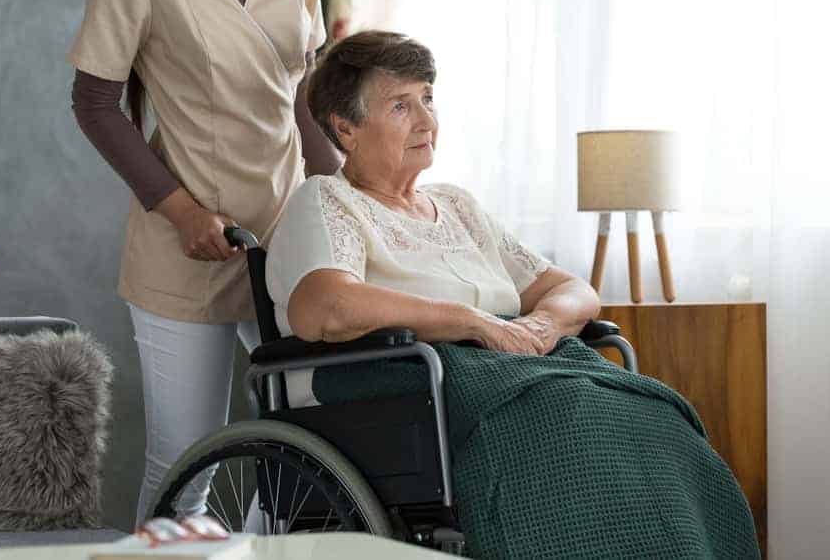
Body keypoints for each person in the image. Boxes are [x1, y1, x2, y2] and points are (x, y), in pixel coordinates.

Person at [265, 31, 761, 558]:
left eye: (428, 99)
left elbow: (573, 289)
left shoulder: (456, 207)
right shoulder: (328, 201)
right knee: (567, 413)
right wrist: (473, 321)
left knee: (652, 415)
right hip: (407, 382)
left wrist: (546, 324)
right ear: (346, 127)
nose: (427, 121)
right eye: (400, 106)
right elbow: (326, 307)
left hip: (511, 369)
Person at [66, 0, 339, 524]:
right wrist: (183, 212)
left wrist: (344, 194)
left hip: (288, 239)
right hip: (187, 249)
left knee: (316, 447)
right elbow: (95, 104)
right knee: (186, 463)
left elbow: (300, 92)